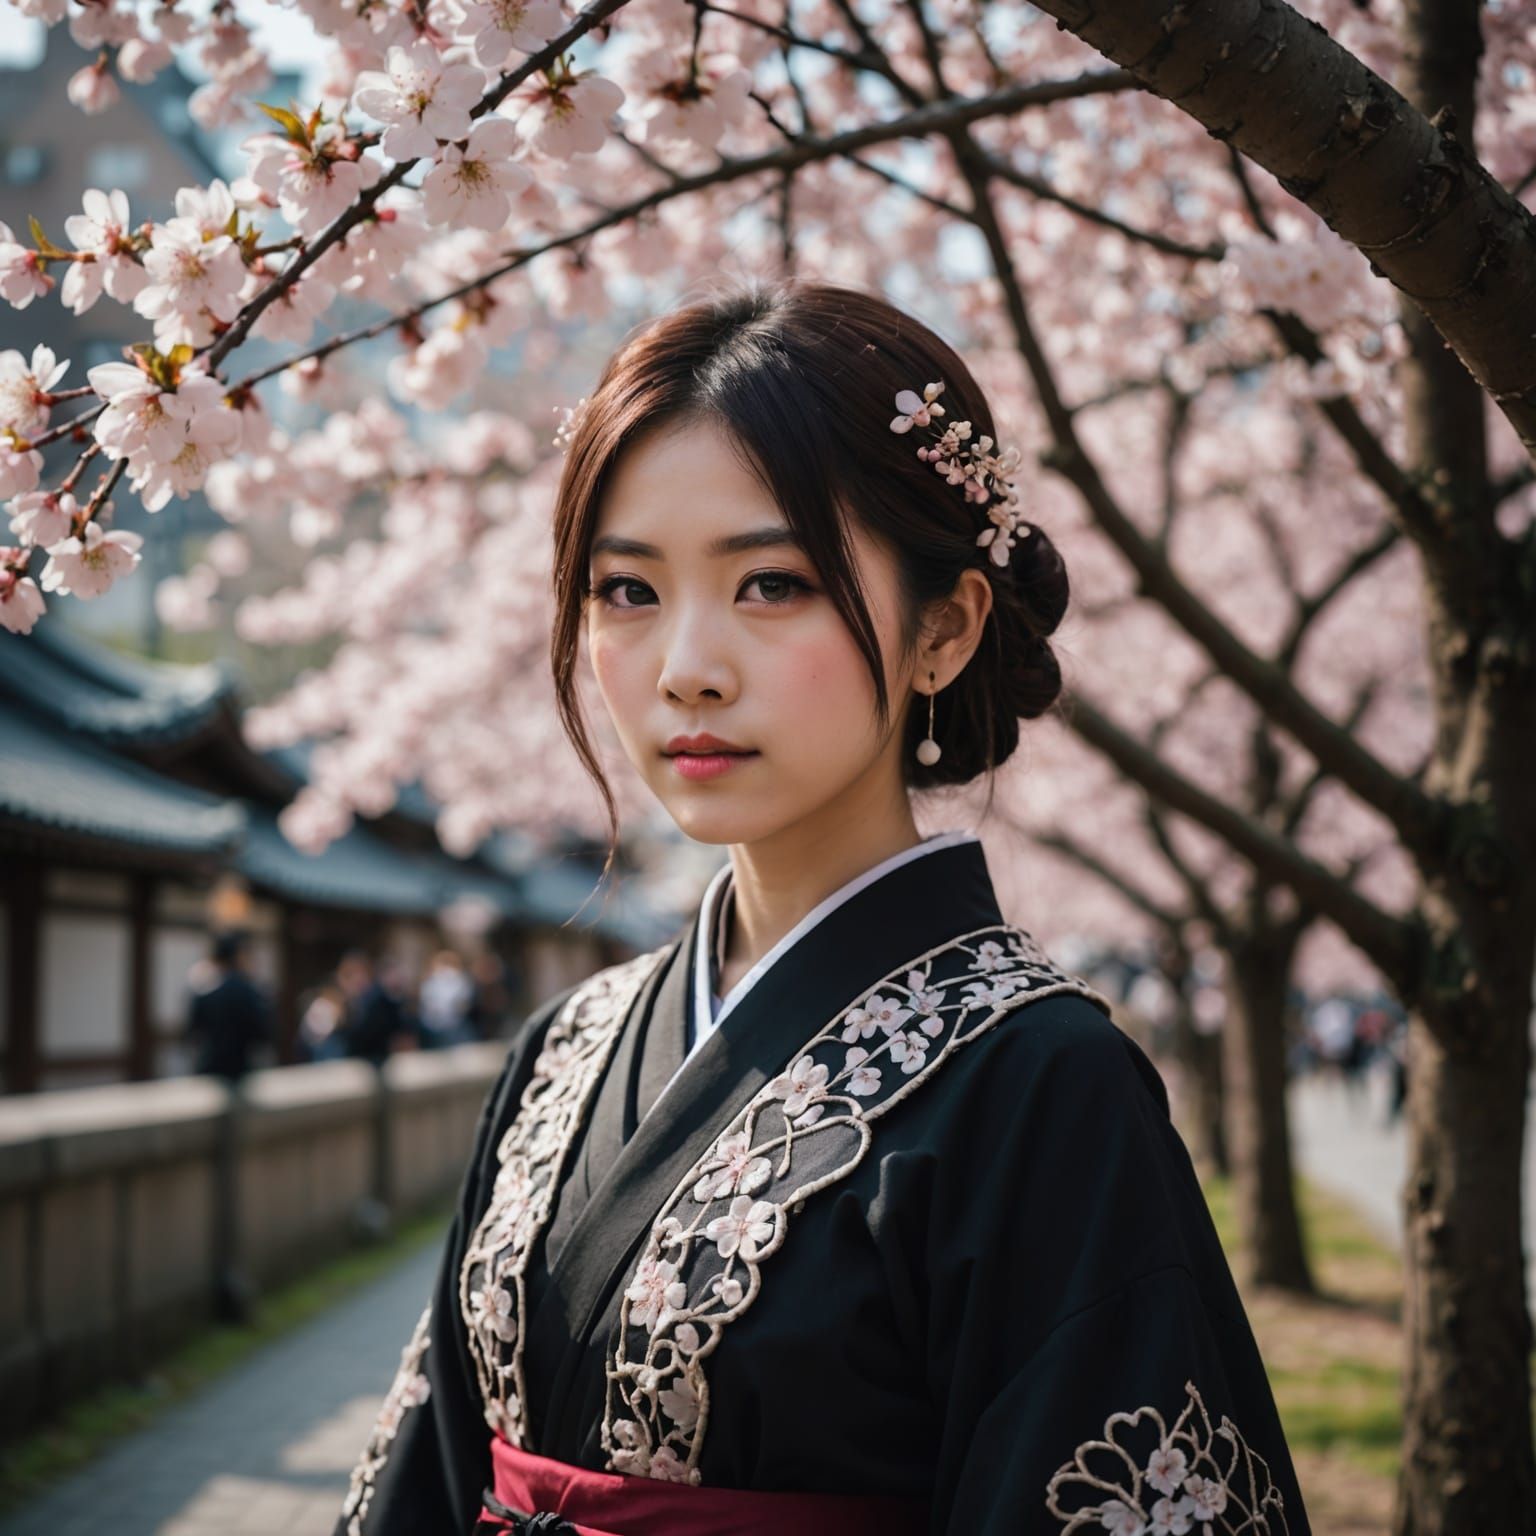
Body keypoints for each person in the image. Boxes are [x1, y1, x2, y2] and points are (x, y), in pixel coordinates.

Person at [335, 280, 1311, 1536]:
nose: (686, 665)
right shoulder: (564, 1048)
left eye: (773, 584)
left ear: (944, 629)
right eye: (628, 591)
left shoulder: (1045, 1086)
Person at [185, 930, 272, 1083]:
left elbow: (192, 1032)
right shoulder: (248, 991)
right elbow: (263, 1033)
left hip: (207, 1071)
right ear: (238, 955)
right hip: (241, 1073)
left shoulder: (203, 986)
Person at [419, 950, 477, 1048]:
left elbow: (463, 1003)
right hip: (436, 1026)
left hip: (455, 1025)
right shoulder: (431, 982)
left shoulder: (459, 979)